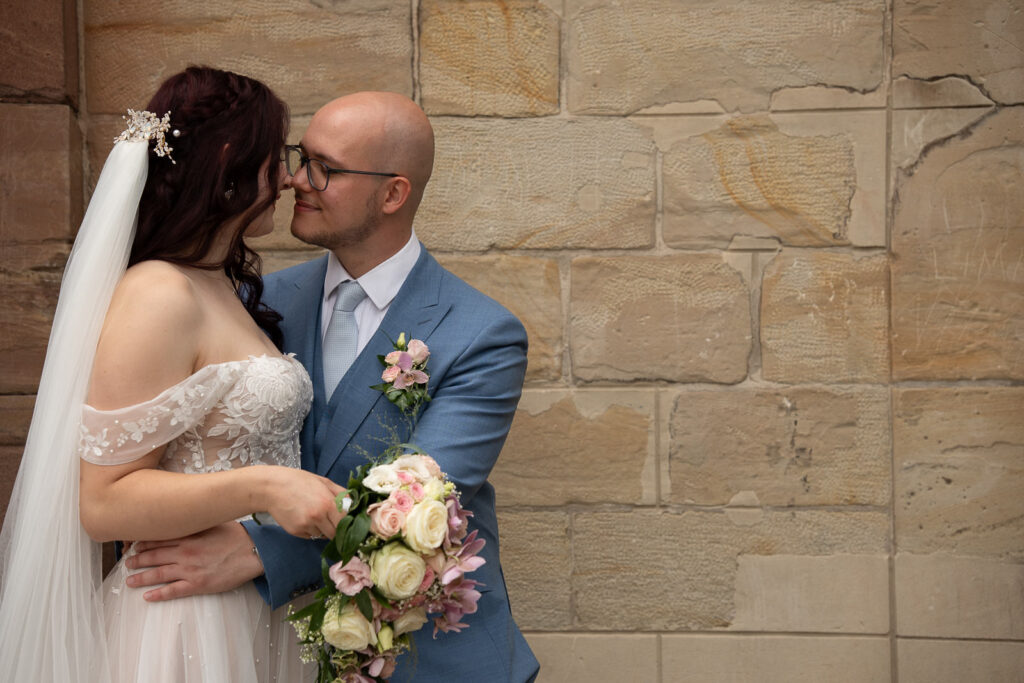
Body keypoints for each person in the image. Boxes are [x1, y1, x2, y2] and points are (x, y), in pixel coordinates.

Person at [126, 92, 541, 681]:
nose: (297, 179)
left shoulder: (482, 334)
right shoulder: (252, 302)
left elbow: (420, 501)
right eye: (300, 157)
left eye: (326, 168)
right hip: (272, 646)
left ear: (393, 193)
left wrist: (253, 552)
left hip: (424, 657)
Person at [0, 66, 344, 682]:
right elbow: (104, 502)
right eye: (280, 156)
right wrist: (266, 488)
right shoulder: (158, 292)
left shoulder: (220, 286)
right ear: (233, 161)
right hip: (186, 624)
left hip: (256, 602)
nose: (292, 177)